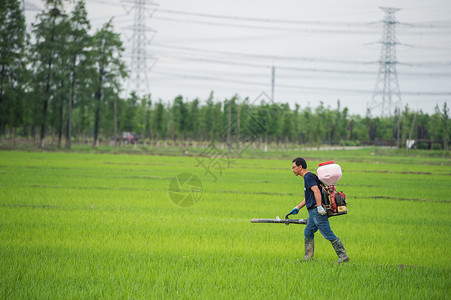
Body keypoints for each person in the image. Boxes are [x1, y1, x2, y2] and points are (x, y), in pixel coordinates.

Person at [288, 157, 349, 264]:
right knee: (308, 231)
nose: (292, 170)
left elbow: (316, 191)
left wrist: (319, 206)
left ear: (300, 167)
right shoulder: (309, 177)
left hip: (316, 211)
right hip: (313, 211)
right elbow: (309, 197)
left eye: (294, 167)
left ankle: (343, 256)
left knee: (327, 233)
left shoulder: (308, 177)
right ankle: (308, 257)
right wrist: (298, 207)